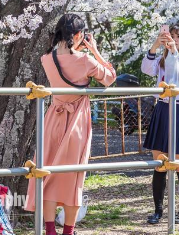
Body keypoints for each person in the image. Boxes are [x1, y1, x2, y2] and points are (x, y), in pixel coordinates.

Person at [24, 14, 116, 235]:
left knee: (48, 173)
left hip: (54, 117)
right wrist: (94, 50)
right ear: (77, 35)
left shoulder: (47, 59)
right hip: (77, 121)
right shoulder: (85, 60)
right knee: (74, 177)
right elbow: (110, 77)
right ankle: (68, 230)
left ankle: (49, 230)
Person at [142, 24, 179, 225]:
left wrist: (175, 54)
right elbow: (146, 69)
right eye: (171, 36)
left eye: (178, 36)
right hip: (162, 109)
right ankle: (158, 210)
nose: (174, 39)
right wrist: (156, 44)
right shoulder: (161, 59)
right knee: (160, 163)